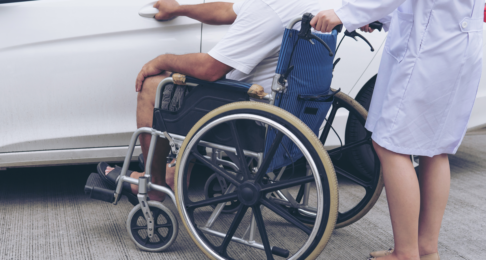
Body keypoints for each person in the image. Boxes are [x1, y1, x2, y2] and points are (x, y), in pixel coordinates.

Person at [97, 0, 322, 202]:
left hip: (251, 119)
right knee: (200, 91)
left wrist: (162, 60)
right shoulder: (312, 6)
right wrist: (179, 9)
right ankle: (175, 172)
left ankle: (154, 184)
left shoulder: (268, 10)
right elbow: (227, 10)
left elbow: (209, 68)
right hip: (291, 113)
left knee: (154, 86)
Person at [310, 0, 483, 260]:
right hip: (461, 44)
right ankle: (426, 249)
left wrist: (347, 13)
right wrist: (382, 16)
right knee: (435, 148)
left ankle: (405, 253)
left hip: (428, 48)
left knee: (390, 146)